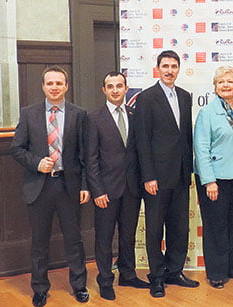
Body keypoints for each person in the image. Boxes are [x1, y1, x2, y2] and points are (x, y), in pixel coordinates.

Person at [10, 66, 90, 306]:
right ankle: (40, 289)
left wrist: (85, 185)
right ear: (43, 86)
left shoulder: (79, 114)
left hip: (70, 185)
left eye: (59, 83)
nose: (54, 87)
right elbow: (16, 148)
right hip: (40, 187)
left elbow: (84, 154)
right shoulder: (28, 114)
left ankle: (79, 285)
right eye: (50, 83)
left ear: (66, 86)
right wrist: (37, 163)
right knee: (39, 241)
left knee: (74, 240)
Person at [134, 50, 199, 298]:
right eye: (165, 66)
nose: (169, 70)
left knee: (179, 228)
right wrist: (148, 176)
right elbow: (142, 140)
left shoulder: (184, 97)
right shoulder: (147, 98)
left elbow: (185, 137)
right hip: (156, 179)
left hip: (181, 176)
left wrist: (189, 171)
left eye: (173, 66)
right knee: (154, 229)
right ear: (157, 69)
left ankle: (175, 271)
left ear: (178, 69)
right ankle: (157, 277)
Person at [86, 72, 150, 301]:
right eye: (110, 86)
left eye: (119, 86)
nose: (115, 90)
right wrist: (97, 190)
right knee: (104, 238)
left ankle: (128, 274)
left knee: (128, 235)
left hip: (131, 189)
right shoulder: (93, 118)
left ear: (126, 88)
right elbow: (90, 158)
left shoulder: (134, 115)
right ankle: (105, 281)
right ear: (103, 89)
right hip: (106, 190)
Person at [193, 66, 233, 289]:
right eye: (221, 82)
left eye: (229, 82)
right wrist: (209, 180)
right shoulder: (207, 113)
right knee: (215, 226)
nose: (226, 86)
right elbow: (201, 148)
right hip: (216, 179)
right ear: (215, 86)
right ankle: (217, 272)